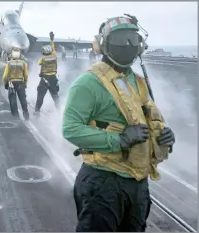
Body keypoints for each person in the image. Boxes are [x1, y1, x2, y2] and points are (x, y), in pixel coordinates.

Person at [62, 15, 175, 232]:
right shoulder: (88, 82)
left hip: (137, 182)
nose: (128, 45)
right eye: (121, 39)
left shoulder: (137, 80)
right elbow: (71, 128)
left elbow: (146, 116)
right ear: (104, 44)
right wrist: (119, 140)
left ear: (141, 46)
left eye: (133, 39)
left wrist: (164, 135)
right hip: (103, 182)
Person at [34, 31, 60, 116]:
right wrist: (51, 40)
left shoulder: (43, 58)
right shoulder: (54, 56)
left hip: (45, 79)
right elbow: (53, 48)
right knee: (55, 96)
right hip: (53, 79)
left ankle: (37, 111)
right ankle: (59, 111)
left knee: (40, 96)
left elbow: (39, 63)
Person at [2, 48, 29, 120]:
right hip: (21, 83)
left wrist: (5, 83)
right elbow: (26, 75)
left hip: (11, 84)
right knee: (23, 100)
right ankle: (26, 115)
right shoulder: (24, 63)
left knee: (13, 100)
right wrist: (25, 82)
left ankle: (16, 117)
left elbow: (5, 76)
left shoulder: (9, 63)